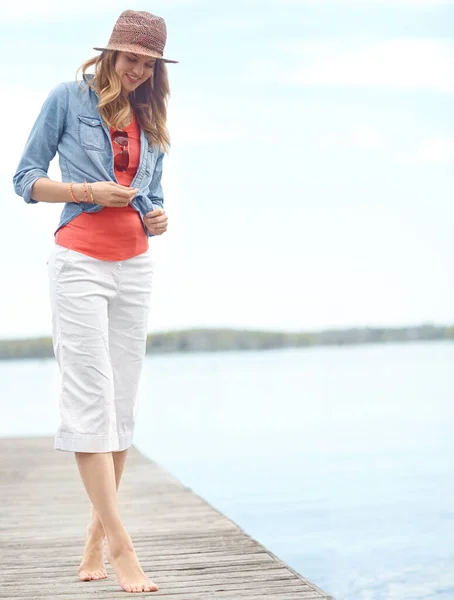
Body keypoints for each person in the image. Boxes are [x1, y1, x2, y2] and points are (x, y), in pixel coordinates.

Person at [12, 10, 178, 594]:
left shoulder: (151, 115)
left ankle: (94, 534)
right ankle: (122, 546)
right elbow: (25, 178)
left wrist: (157, 217)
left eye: (147, 63)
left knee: (121, 407)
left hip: (135, 265)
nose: (136, 70)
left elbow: (151, 197)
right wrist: (87, 191)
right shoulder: (67, 99)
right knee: (89, 404)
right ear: (109, 52)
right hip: (79, 260)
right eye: (130, 57)